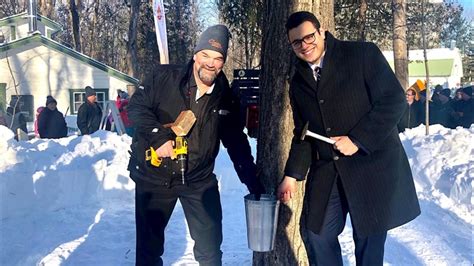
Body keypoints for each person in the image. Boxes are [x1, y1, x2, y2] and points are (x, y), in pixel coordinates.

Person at [277, 11, 420, 266]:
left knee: (369, 245)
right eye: (296, 42)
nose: (304, 45)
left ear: (322, 32)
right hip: (328, 170)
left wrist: (357, 139)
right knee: (317, 234)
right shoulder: (298, 79)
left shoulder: (362, 55)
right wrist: (292, 175)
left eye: (309, 37)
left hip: (371, 168)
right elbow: (303, 132)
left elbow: (394, 100)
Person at [127, 25, 264, 266]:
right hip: (154, 177)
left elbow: (236, 142)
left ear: (223, 62)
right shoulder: (164, 77)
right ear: (195, 55)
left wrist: (253, 182)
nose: (210, 63)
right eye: (205, 55)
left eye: (218, 58)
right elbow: (136, 107)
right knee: (149, 251)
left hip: (199, 180)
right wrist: (159, 138)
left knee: (210, 249)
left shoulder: (226, 97)